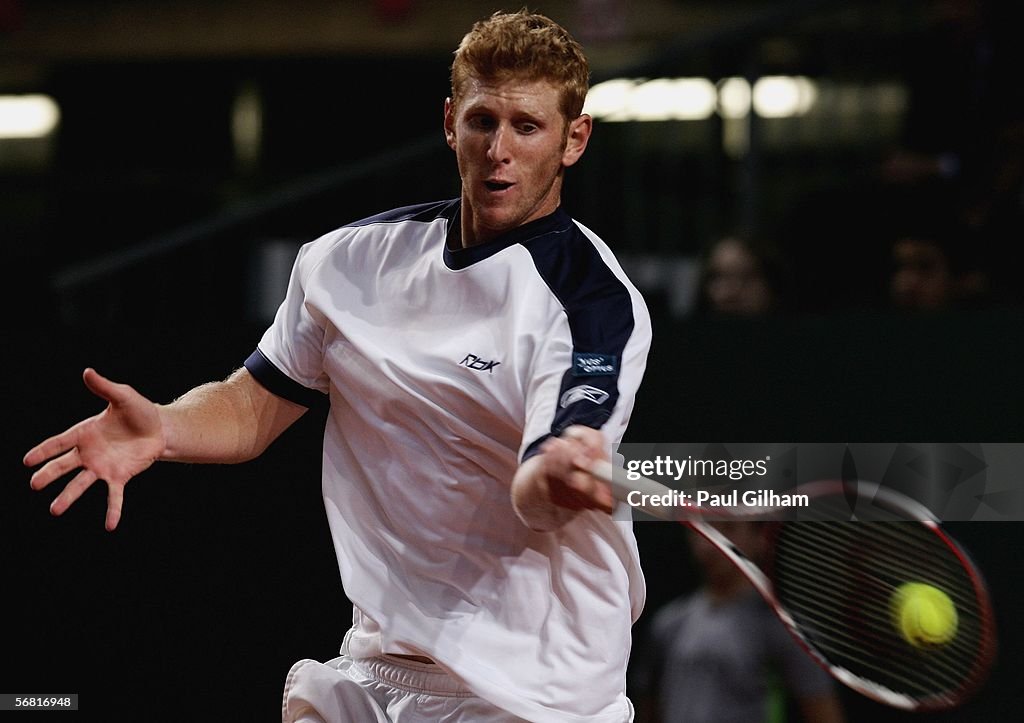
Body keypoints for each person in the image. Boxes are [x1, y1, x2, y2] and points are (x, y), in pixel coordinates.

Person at [23, 11, 652, 723]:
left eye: (527, 127)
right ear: (450, 122)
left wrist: (556, 476)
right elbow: (250, 406)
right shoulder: (346, 262)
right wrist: (165, 427)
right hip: (378, 663)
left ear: (575, 138)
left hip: (536, 690)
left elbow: (546, 480)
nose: (498, 150)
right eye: (482, 121)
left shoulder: (594, 306)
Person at [631, 522, 845, 723]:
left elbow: (822, 712)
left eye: (728, 529)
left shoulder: (782, 628)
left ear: (760, 538)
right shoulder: (669, 622)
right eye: (702, 530)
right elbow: (648, 707)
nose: (710, 543)